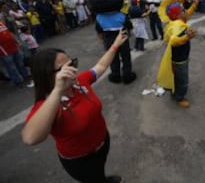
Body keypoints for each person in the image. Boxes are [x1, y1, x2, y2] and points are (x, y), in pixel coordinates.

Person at [22, 30, 128, 183]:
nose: (74, 70)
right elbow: (31, 138)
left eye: (73, 64)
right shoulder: (48, 105)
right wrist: (58, 90)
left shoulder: (79, 82)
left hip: (102, 143)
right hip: (81, 160)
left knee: (99, 173)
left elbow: (100, 66)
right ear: (46, 75)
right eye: (65, 68)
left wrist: (115, 45)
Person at [90, 0, 136, 85]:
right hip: (122, 37)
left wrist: (103, 40)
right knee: (126, 57)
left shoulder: (99, 17)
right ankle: (127, 75)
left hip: (108, 38)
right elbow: (129, 26)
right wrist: (129, 32)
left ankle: (115, 75)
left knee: (112, 58)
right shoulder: (122, 15)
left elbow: (99, 31)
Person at [157, 0, 199, 108]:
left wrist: (194, 5)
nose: (186, 12)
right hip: (180, 60)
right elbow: (174, 41)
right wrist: (187, 37)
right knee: (183, 80)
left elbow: (187, 15)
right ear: (179, 15)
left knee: (176, 77)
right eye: (183, 11)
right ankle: (179, 97)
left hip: (178, 58)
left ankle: (175, 91)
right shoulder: (177, 26)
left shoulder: (176, 22)